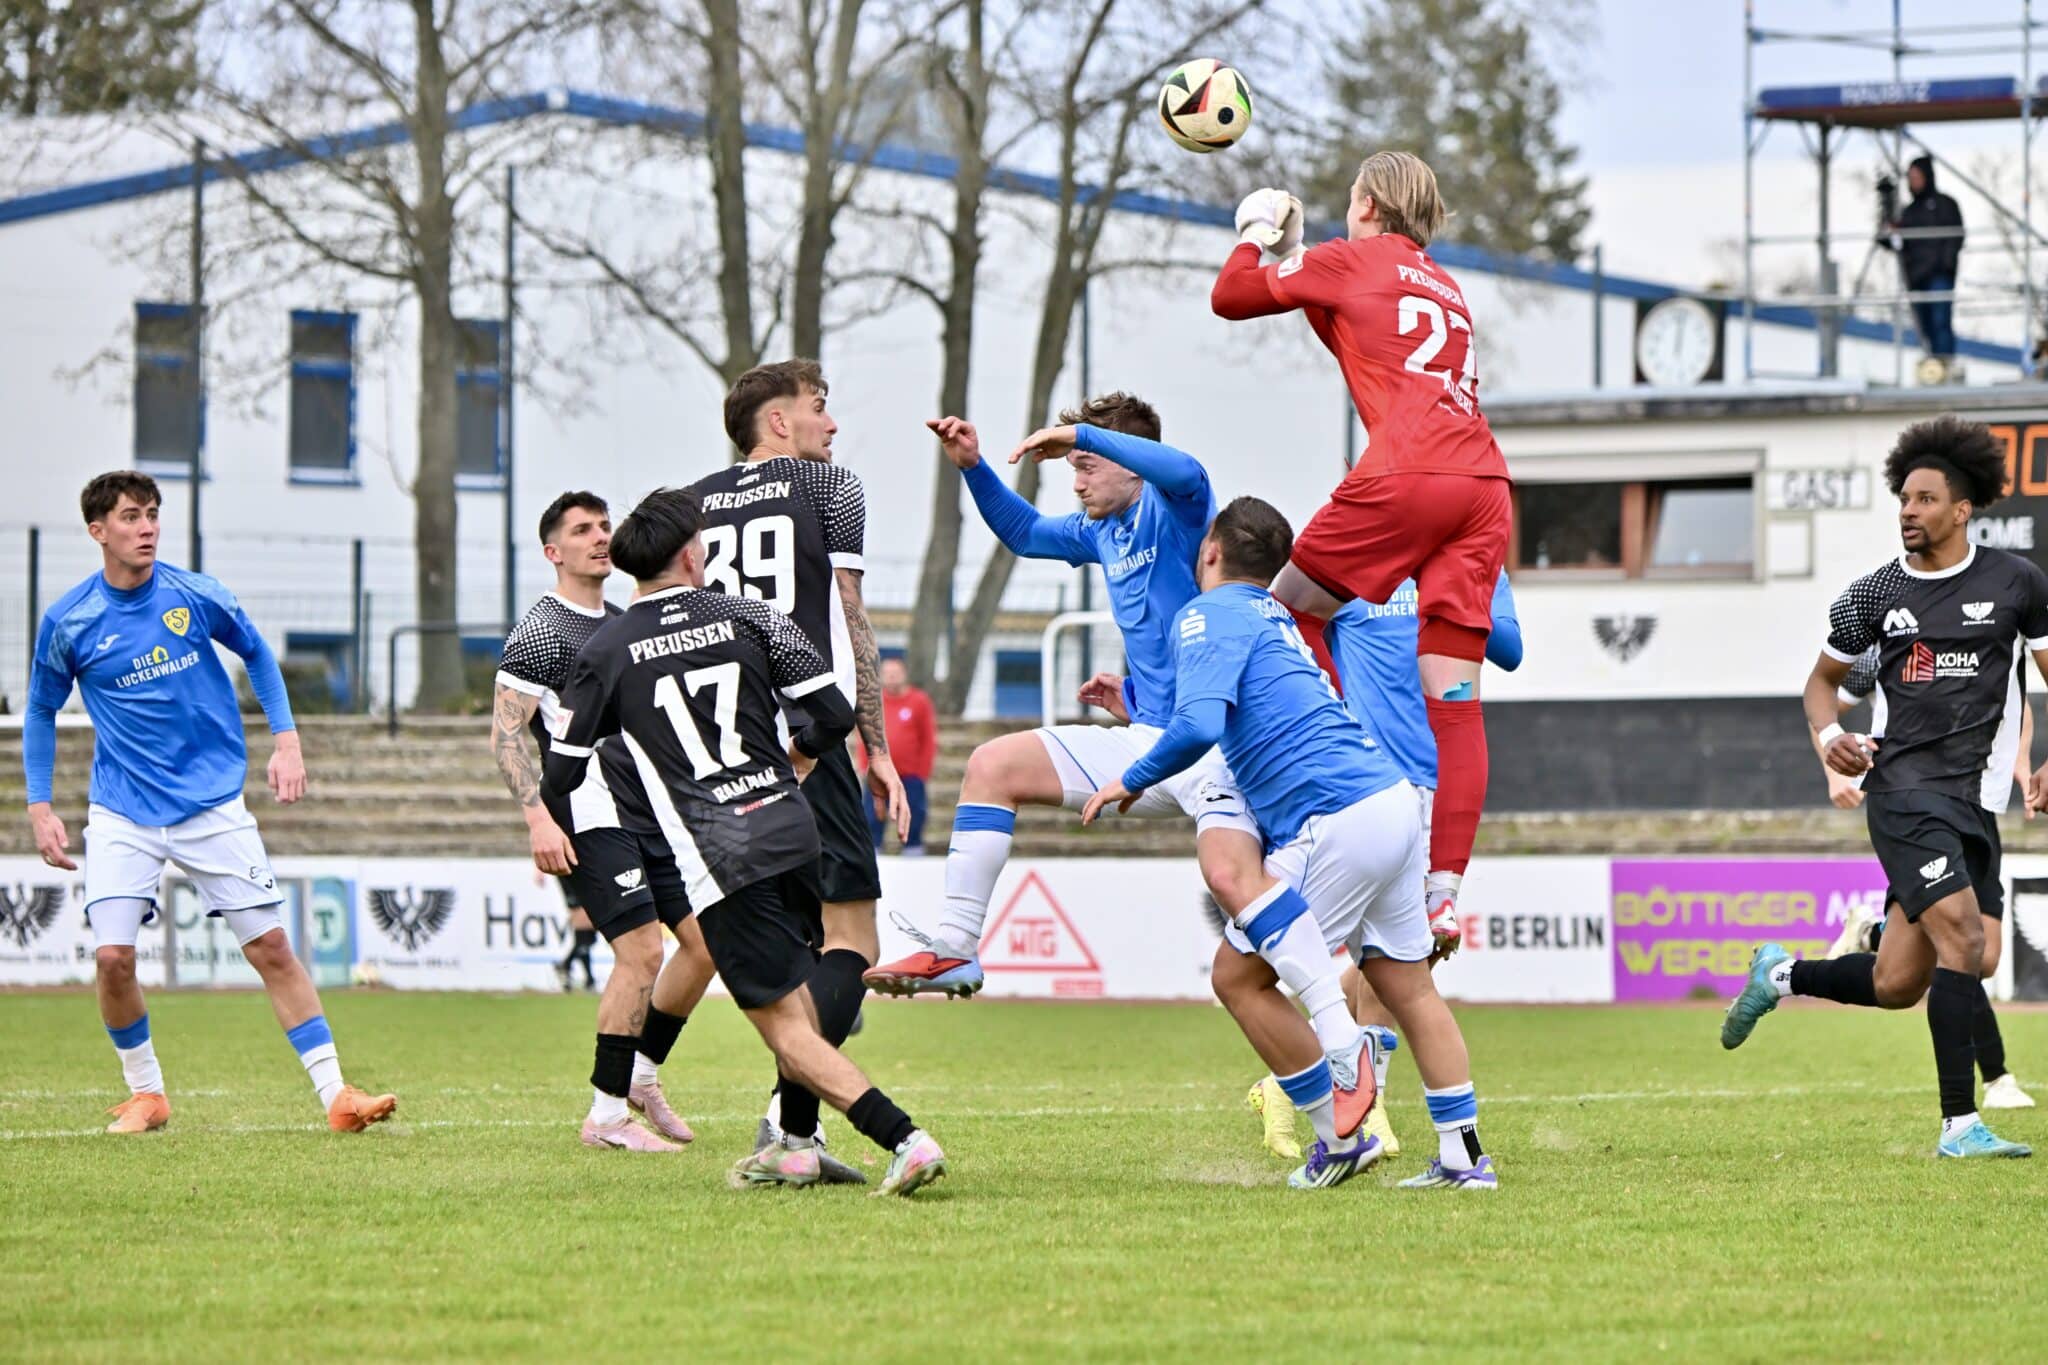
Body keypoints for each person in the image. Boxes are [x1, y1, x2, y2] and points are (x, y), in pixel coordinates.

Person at [1082, 497, 1495, 1191]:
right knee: (1410, 985)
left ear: (1209, 551)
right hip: (1390, 802)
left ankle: (1340, 1121)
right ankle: (1463, 1155)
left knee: (1237, 976)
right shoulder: (1273, 615)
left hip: (1334, 815)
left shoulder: (1205, 613)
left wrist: (1131, 775)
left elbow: (1201, 722)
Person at [543, 487, 947, 1196]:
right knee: (797, 997)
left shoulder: (608, 647)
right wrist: (793, 758)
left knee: (783, 1027)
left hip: (719, 854)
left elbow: (561, 772)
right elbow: (832, 712)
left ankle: (904, 1139)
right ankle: (793, 1144)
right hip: (794, 831)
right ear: (693, 555)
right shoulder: (748, 614)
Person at [861, 400, 1287, 1019]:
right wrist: (975, 467)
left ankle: (1349, 1029)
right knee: (991, 765)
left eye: (1087, 466)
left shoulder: (1174, 513)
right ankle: (956, 946)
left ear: (1129, 465)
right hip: (1150, 743)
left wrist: (1081, 435)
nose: (1077, 480)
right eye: (1074, 468)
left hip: (1218, 752)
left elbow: (1189, 473)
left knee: (1249, 912)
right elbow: (1026, 533)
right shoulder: (1101, 531)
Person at [23, 471, 395, 1135]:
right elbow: (40, 711)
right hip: (122, 812)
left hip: (213, 804)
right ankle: (147, 1094)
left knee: (272, 948)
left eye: (154, 514)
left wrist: (287, 741)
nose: (148, 527)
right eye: (132, 516)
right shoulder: (70, 620)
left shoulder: (194, 594)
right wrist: (40, 805)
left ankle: (337, 1094)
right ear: (98, 530)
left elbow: (256, 651)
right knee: (113, 958)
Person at [1210, 151, 1512, 954]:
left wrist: (1256, 238)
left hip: (1408, 469)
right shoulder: (1445, 284)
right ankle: (1444, 891)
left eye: (1352, 201)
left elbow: (1229, 298)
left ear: (1371, 204)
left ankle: (1334, 787)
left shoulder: (1353, 256)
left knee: (1283, 617)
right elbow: (1340, 325)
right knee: (1454, 700)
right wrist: (1293, 261)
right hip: (1482, 484)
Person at [1725, 416, 2047, 1158]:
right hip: (1904, 793)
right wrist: (1826, 737)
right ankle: (1960, 1123)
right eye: (1904, 498)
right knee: (1968, 938)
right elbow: (1820, 684)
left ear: (1962, 509)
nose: (1909, 510)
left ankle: (1779, 973)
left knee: (1901, 979)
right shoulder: (1873, 595)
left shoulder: (2017, 584)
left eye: (1926, 499)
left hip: (1975, 801)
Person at [688, 359, 904, 1174]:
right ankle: (788, 1124)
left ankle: (799, 1140)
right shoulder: (830, 488)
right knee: (852, 937)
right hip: (807, 736)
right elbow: (849, 618)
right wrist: (872, 745)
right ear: (778, 421)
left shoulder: (695, 503)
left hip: (727, 747)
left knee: (805, 941)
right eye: (820, 407)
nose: (832, 424)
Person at [1246, 569, 1523, 1162]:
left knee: (1408, 959)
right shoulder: (1366, 556)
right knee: (1387, 961)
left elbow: (1509, 650)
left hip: (1438, 787)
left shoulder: (1479, 565)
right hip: (1365, 786)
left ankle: (1290, 1085)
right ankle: (1366, 1106)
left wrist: (1450, 588)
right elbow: (1289, 624)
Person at [492, 490, 716, 1152]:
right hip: (588, 812)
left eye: (605, 526)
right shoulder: (540, 628)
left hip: (652, 811)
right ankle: (607, 1115)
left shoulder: (627, 620)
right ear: (552, 552)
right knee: (642, 950)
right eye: (583, 529)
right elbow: (506, 734)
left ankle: (641, 1075)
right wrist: (537, 817)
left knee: (705, 943)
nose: (600, 537)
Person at [1809, 644, 2035, 1111]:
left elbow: (2019, 703)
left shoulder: (1986, 635)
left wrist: (2021, 761)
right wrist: (1835, 775)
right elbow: (1827, 707)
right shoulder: (1882, 649)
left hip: (1979, 803)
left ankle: (1870, 934)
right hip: (1918, 805)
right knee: (1963, 946)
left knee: (1977, 958)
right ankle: (1993, 1082)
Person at [1884, 156, 1963, 362]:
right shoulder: (1908, 212)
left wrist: (1945, 264)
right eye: (1910, 178)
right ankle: (1933, 367)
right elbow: (1892, 242)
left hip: (1938, 276)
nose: (1913, 181)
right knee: (1925, 325)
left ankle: (1944, 365)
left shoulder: (1946, 204)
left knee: (1940, 322)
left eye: (1917, 176)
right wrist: (1886, 215)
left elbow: (1956, 235)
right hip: (1916, 278)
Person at [868, 657, 936, 854]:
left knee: (914, 817)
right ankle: (873, 857)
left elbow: (927, 738)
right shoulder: (874, 701)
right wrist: (867, 767)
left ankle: (913, 855)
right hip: (879, 775)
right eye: (888, 673)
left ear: (904, 675)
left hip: (910, 776)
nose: (891, 677)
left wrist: (922, 772)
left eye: (895, 673)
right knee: (873, 817)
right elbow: (867, 734)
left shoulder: (919, 701)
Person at [552, 877, 598, 992]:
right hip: (573, 879)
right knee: (584, 936)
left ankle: (587, 978)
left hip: (586, 879)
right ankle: (567, 966)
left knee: (588, 938)